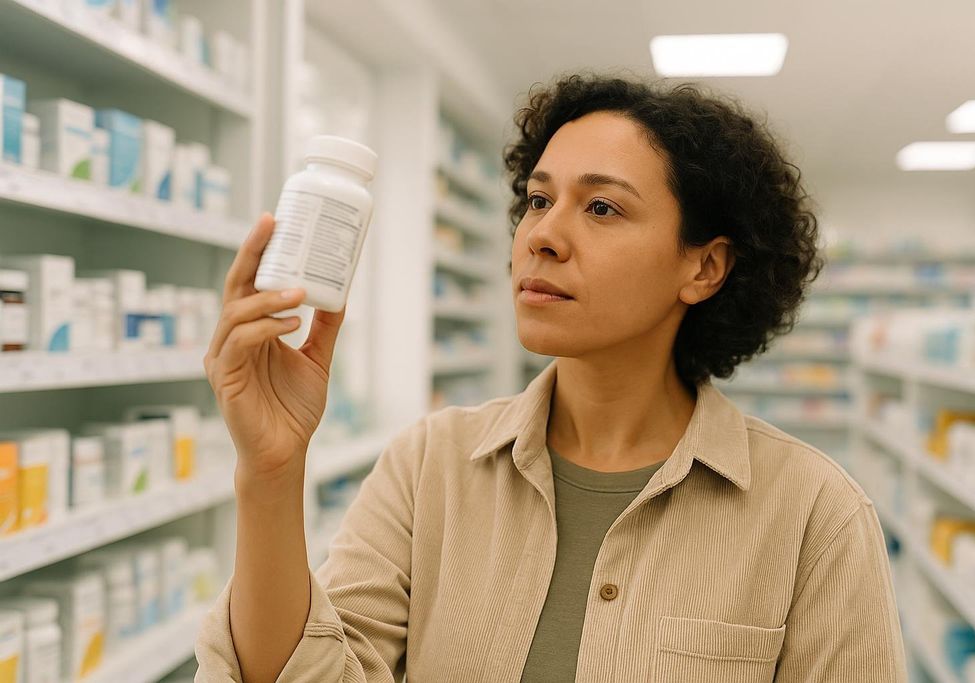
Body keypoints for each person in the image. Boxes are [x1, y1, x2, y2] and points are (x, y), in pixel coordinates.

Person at [195, 74, 907, 682]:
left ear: (705, 267)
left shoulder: (816, 515)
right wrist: (271, 472)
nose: (542, 234)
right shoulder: (428, 466)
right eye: (538, 200)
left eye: (602, 207)